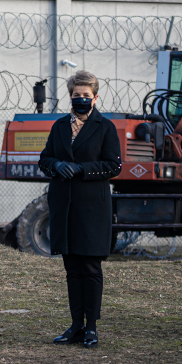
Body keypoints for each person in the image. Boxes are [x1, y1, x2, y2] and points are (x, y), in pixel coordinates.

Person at [38, 71, 122, 349]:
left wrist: (82, 169)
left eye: (87, 96)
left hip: (91, 207)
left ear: (95, 98)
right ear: (70, 96)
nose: (81, 99)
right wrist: (57, 165)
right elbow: (45, 158)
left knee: (90, 267)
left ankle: (92, 328)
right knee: (71, 267)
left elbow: (113, 165)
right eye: (77, 95)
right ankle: (76, 326)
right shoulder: (60, 126)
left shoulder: (105, 127)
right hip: (64, 205)